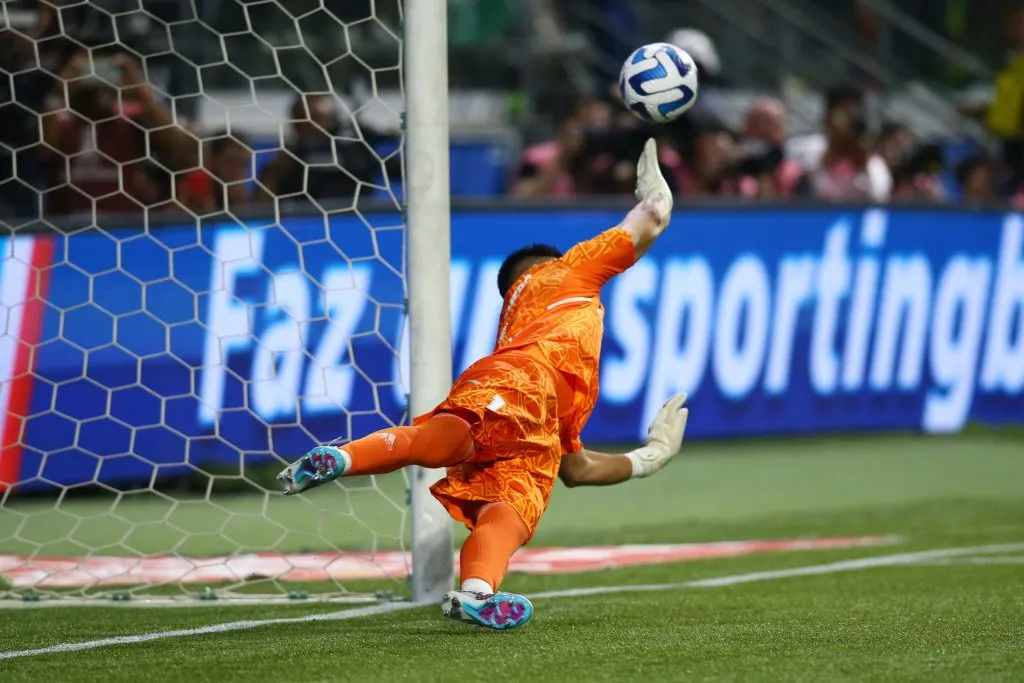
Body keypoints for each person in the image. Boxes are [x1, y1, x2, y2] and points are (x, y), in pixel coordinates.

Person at [278, 139, 689, 630]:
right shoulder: (564, 272)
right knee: (501, 500)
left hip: (514, 401)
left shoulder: (515, 328)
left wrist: (648, 458)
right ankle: (470, 581)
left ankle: (470, 587)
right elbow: (650, 219)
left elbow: (575, 469)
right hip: (529, 383)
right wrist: (654, 196)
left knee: (478, 473)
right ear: (544, 266)